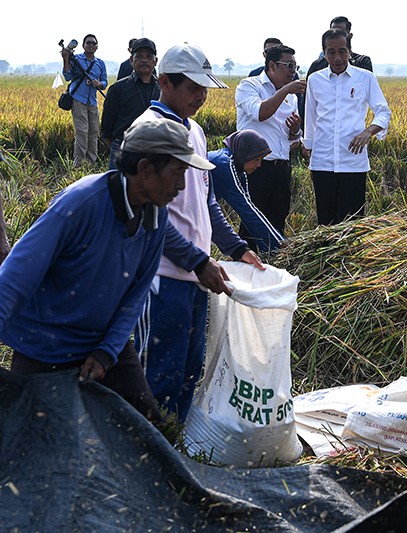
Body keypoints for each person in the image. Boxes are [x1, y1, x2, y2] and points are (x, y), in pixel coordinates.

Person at [0, 118, 214, 425]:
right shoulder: (80, 204)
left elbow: (136, 294)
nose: (181, 186)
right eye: (178, 172)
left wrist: (107, 352)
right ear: (145, 169)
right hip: (43, 344)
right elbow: (14, 279)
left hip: (98, 338)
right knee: (34, 436)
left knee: (148, 426)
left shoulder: (155, 215)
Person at [132, 43, 265, 422]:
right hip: (161, 276)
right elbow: (149, 215)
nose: (202, 97)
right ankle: (150, 451)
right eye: (193, 88)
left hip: (194, 275)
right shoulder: (149, 131)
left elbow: (205, 202)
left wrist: (236, 248)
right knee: (158, 372)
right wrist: (197, 260)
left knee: (189, 369)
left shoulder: (196, 132)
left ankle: (178, 447)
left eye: (205, 88)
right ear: (165, 83)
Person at [304, 28, 391, 226]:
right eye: (331, 52)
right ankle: (326, 258)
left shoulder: (365, 78)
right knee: (326, 222)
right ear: (324, 53)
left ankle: (350, 258)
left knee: (352, 223)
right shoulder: (315, 79)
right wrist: (308, 146)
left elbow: (383, 112)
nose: (337, 57)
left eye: (342, 51)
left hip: (353, 161)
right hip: (323, 161)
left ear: (350, 52)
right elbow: (310, 117)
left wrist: (367, 132)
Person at [235, 44, 306, 240]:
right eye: (289, 66)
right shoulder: (249, 86)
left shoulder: (290, 96)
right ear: (272, 65)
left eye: (295, 66)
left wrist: (295, 130)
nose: (293, 71)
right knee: (252, 222)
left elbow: (291, 136)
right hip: (255, 168)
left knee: (277, 222)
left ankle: (272, 266)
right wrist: (286, 91)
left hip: (281, 166)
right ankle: (246, 266)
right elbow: (260, 113)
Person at [208, 130, 285, 252]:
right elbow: (245, 209)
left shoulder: (239, 169)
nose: (259, 165)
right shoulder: (223, 164)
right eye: (257, 159)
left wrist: (272, 247)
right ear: (246, 154)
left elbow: (251, 208)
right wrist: (280, 245)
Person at [101, 38, 160, 170]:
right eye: (139, 56)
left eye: (149, 57)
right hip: (123, 149)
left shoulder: (162, 89)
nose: (144, 60)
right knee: (118, 189)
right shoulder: (118, 89)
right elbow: (107, 127)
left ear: (155, 61)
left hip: (155, 150)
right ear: (131, 61)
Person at [61, 34, 108, 165]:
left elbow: (105, 81)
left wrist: (99, 84)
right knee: (82, 132)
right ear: (83, 45)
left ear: (97, 46)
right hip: (78, 99)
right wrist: (66, 59)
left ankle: (91, 162)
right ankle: (79, 164)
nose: (91, 45)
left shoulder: (100, 64)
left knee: (93, 132)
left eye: (93, 43)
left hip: (92, 101)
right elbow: (67, 76)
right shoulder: (76, 59)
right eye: (88, 43)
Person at [306, 16, 372, 77]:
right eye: (333, 32)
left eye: (341, 33)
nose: (337, 58)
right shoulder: (317, 66)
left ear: (350, 36)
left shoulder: (362, 63)